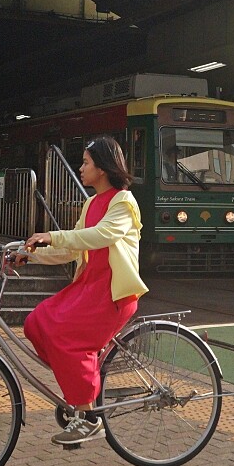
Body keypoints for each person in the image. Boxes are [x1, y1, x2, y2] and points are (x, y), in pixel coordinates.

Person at [20, 136, 148, 446]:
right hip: (88, 287)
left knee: (66, 337)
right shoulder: (92, 203)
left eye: (86, 162)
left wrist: (53, 235)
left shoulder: (123, 201)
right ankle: (80, 391)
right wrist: (30, 254)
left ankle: (89, 417)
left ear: (102, 169)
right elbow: (73, 247)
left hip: (111, 294)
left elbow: (101, 236)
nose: (80, 168)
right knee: (36, 323)